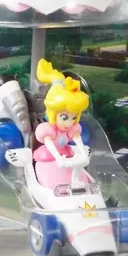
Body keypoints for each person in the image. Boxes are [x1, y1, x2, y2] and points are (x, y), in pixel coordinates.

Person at [33, 59, 90, 189]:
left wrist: (83, 154)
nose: (69, 123)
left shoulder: (71, 129)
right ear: (53, 113)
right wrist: (58, 158)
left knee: (76, 166)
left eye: (74, 117)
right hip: (50, 156)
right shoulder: (49, 130)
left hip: (65, 154)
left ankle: (76, 181)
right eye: (64, 117)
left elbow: (78, 140)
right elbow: (49, 144)